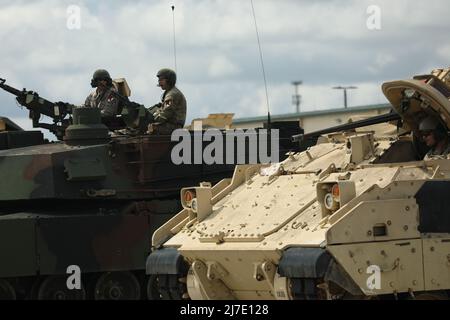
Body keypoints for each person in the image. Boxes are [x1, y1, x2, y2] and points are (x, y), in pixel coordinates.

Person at [148, 68, 186, 135]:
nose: (159, 82)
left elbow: (164, 115)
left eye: (162, 80)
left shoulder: (172, 95)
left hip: (174, 127)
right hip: (170, 125)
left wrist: (150, 118)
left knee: (149, 127)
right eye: (159, 80)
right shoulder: (168, 93)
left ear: (169, 80)